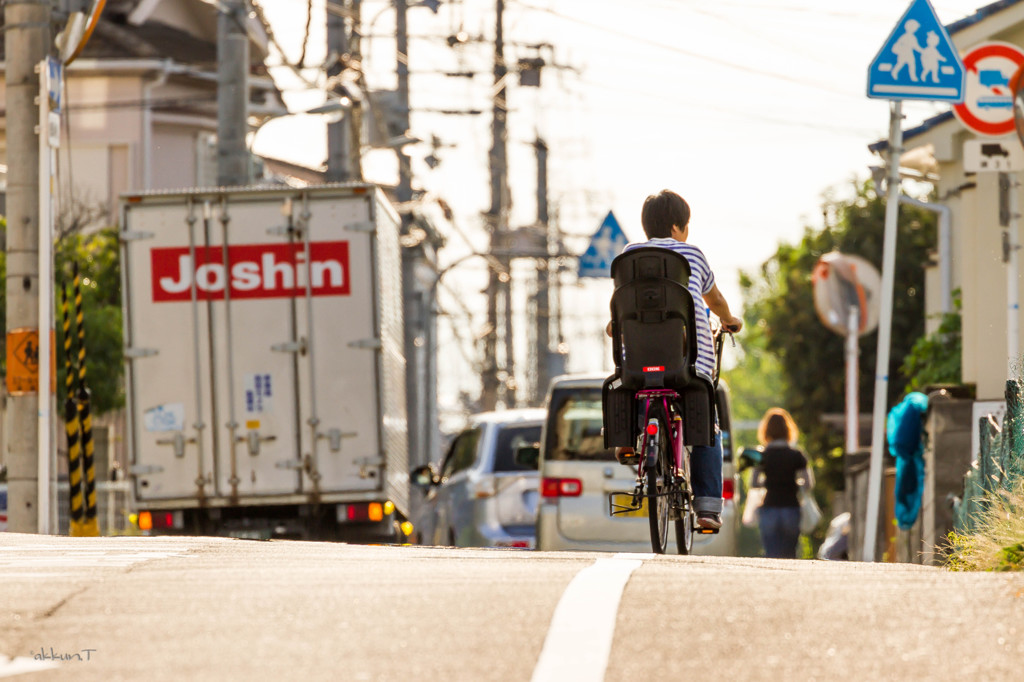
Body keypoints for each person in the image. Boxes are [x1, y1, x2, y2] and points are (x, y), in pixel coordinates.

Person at [607, 189, 743, 530]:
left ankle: (628, 441)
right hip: (689, 363)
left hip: (637, 363)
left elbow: (622, 303)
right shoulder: (692, 256)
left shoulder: (630, 256)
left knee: (633, 384)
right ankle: (708, 509)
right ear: (678, 227)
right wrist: (729, 320)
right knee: (708, 427)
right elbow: (714, 299)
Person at [753, 407, 812, 559]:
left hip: (769, 508)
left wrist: (767, 482)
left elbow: (753, 483)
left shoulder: (761, 456)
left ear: (766, 430)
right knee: (789, 554)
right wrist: (794, 483)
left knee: (771, 553)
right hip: (791, 508)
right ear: (788, 430)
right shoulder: (797, 455)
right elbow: (808, 483)